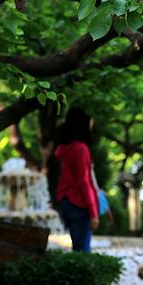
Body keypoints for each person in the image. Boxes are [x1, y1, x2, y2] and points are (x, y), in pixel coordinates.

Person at [55, 108, 99, 253]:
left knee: (77, 247)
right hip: (78, 202)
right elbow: (83, 182)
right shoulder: (80, 149)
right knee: (83, 250)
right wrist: (93, 213)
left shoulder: (63, 149)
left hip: (65, 201)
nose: (91, 127)